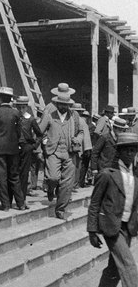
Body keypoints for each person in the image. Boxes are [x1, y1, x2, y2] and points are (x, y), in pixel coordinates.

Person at [86, 131, 138, 287]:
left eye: (133, 151)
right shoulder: (107, 174)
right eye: (127, 151)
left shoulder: (136, 174)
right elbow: (94, 204)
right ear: (120, 152)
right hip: (111, 226)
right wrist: (92, 230)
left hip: (128, 227)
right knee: (129, 266)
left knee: (113, 271)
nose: (130, 154)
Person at [38, 83, 84, 220]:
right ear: (57, 104)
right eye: (61, 104)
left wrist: (78, 139)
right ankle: (50, 188)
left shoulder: (74, 116)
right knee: (53, 177)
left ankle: (60, 209)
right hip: (53, 152)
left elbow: (81, 131)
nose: (64, 107)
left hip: (70, 153)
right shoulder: (49, 115)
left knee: (67, 184)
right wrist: (45, 141)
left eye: (66, 105)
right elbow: (40, 131)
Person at [0, 86, 23, 211]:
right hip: (14, 149)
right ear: (10, 99)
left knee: (2, 177)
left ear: (0, 99)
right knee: (14, 176)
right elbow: (19, 132)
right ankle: (21, 203)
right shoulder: (16, 113)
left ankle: (6, 205)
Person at [15, 96, 40, 209]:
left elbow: (39, 134)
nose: (21, 110)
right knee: (14, 174)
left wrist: (34, 146)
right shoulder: (15, 117)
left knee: (24, 174)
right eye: (19, 107)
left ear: (26, 107)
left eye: (23, 107)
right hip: (14, 148)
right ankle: (16, 199)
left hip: (26, 148)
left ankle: (23, 200)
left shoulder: (30, 119)